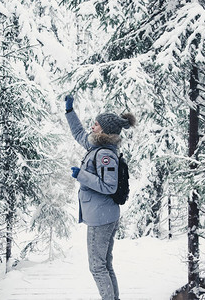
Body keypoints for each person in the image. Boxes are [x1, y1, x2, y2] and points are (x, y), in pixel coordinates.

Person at [64, 94, 136, 300]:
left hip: (102, 217)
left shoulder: (105, 155)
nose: (92, 126)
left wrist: (81, 175)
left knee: (97, 266)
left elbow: (109, 186)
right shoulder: (96, 146)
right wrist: (70, 112)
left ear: (104, 130)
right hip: (103, 214)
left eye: (96, 124)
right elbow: (78, 133)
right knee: (105, 264)